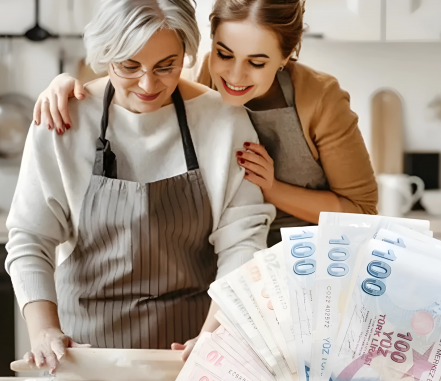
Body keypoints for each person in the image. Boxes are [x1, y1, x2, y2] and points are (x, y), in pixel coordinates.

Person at [5, 0, 274, 373]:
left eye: (167, 66)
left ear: (186, 54)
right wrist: (44, 331)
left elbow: (243, 241)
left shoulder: (224, 120)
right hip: (83, 356)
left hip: (190, 356)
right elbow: (30, 238)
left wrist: (216, 332)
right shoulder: (65, 116)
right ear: (105, 55)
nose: (149, 84)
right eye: (129, 66)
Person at [33, 0, 378, 249]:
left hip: (311, 264)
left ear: (286, 57)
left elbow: (361, 211)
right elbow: (134, 81)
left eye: (257, 63)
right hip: (225, 267)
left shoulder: (319, 98)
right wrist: (65, 85)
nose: (235, 76)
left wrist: (271, 189)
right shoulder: (198, 85)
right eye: (224, 54)